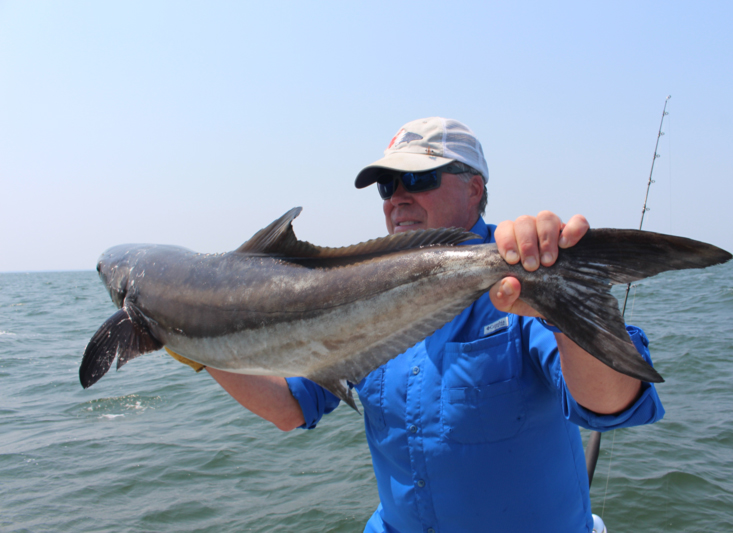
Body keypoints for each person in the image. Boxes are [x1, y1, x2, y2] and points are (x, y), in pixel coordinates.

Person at [193, 117, 665, 533]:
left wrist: (555, 303)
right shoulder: (356, 298)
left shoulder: (521, 280)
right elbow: (289, 408)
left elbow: (612, 404)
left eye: (417, 178)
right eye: (387, 187)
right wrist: (188, 337)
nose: (397, 198)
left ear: (474, 188)